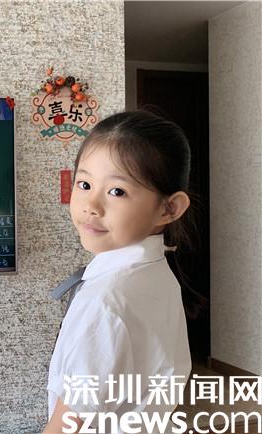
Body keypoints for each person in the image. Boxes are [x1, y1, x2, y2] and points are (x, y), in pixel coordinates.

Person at [44, 109, 201, 434]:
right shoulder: (157, 273)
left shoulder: (106, 301)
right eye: (84, 184)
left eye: (117, 191)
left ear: (169, 208)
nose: (91, 205)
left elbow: (67, 426)